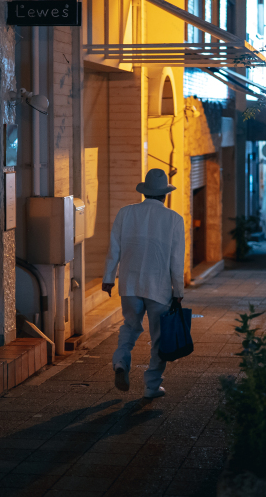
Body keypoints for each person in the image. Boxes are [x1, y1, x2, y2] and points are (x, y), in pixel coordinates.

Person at [103, 168, 185, 399]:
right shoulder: (174, 219)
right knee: (159, 337)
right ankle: (151, 386)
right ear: (165, 194)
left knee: (130, 326)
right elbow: (176, 260)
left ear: (145, 192)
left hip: (129, 284)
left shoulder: (125, 213)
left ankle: (120, 362)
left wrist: (109, 278)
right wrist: (178, 290)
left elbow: (114, 248)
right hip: (158, 288)